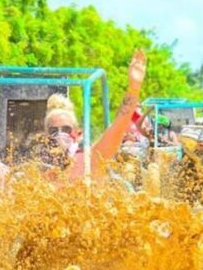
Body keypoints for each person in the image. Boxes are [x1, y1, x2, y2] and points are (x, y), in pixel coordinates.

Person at [40, 48, 147, 181]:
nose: (60, 135)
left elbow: (118, 127)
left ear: (77, 133)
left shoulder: (90, 159)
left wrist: (134, 87)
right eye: (53, 130)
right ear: (45, 137)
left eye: (66, 129)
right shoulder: (36, 170)